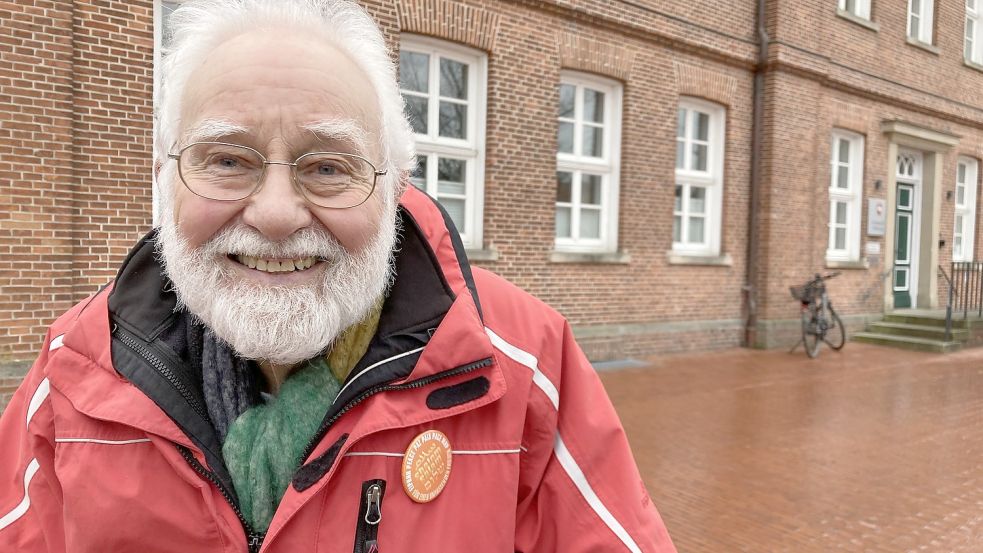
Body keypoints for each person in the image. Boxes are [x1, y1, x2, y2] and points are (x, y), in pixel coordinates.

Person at [0, 1, 676, 551]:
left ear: (393, 189)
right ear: (166, 178)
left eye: (327, 167)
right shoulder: (76, 369)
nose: (272, 214)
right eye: (226, 160)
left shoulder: (527, 368)